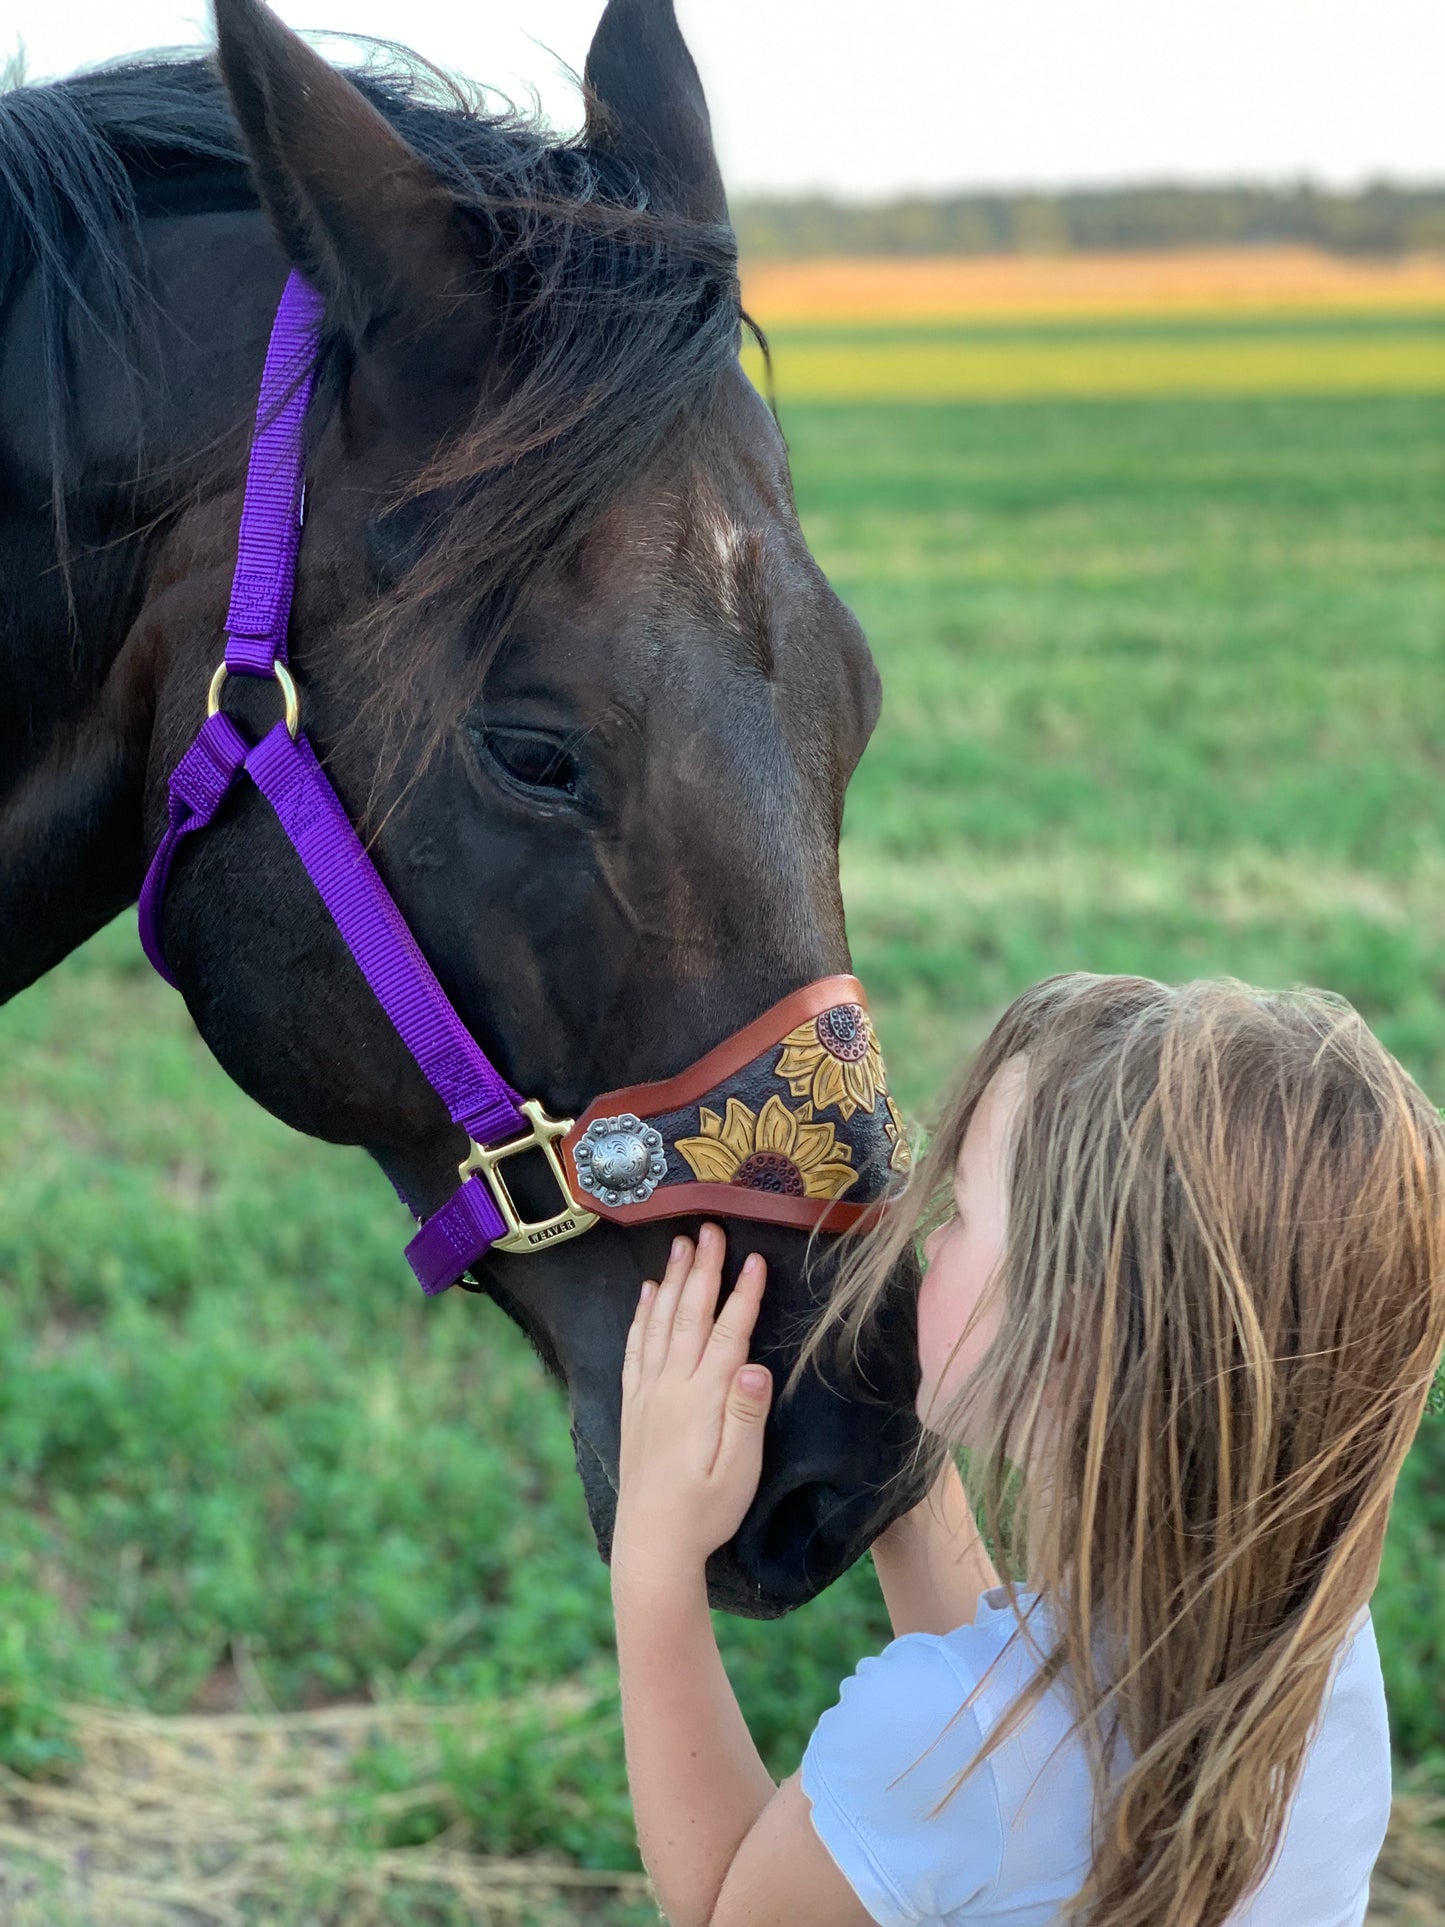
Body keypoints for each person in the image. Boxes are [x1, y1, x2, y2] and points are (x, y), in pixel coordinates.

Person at [609, 973, 1445, 1927]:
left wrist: (654, 1561)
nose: (920, 1238)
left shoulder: (929, 1744)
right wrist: (910, 1487)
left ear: (1062, 1340)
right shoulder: (1319, 1651)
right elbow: (1023, 1740)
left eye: (959, 1210)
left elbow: (731, 1909)